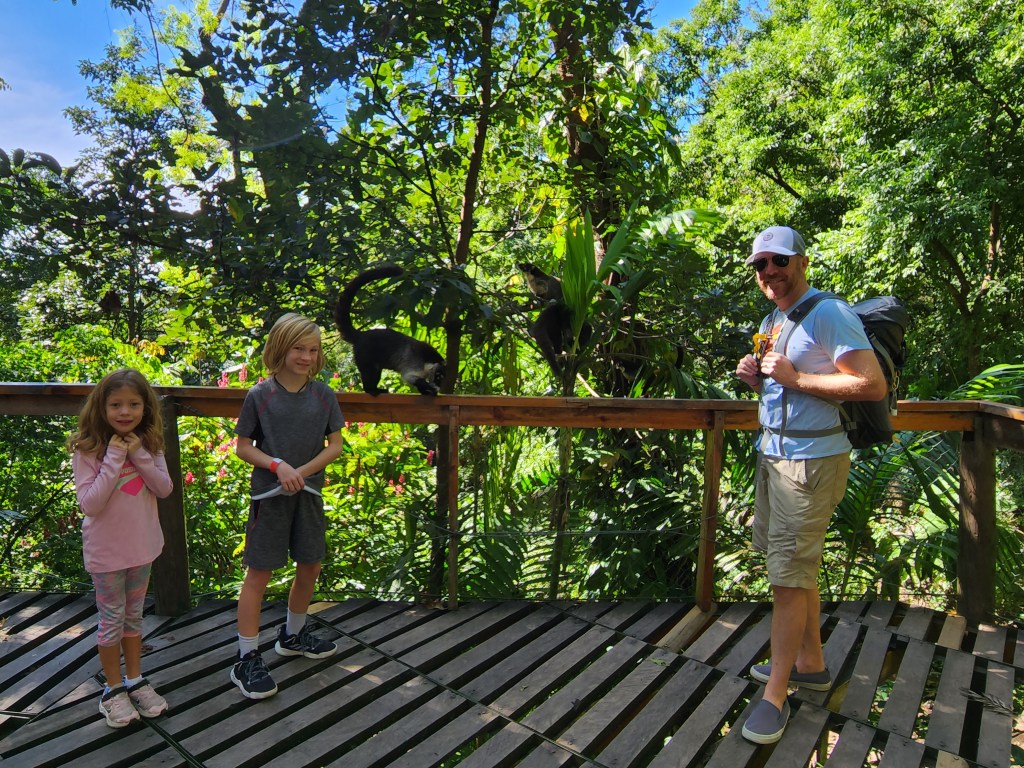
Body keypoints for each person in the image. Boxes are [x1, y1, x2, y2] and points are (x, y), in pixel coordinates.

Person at [734, 226, 886, 744]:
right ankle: (811, 665)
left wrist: (796, 378)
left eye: (779, 260)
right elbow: (783, 387)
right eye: (760, 264)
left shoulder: (829, 313)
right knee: (795, 569)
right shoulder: (772, 320)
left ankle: (775, 697)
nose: (769, 272)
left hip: (811, 463)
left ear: (801, 261)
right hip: (775, 458)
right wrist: (758, 379)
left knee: (787, 579)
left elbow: (871, 384)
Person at [230, 313, 345, 699]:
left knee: (310, 565)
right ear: (280, 348)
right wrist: (278, 466)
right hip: (269, 498)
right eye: (298, 348)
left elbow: (335, 445)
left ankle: (292, 635)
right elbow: (243, 447)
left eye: (313, 350)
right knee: (259, 574)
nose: (306, 357)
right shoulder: (259, 395)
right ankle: (246, 658)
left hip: (309, 495)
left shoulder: (324, 395)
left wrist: (301, 472)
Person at [68, 368, 174, 728]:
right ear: (101, 407)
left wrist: (139, 454)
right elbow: (90, 504)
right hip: (107, 554)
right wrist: (114, 456)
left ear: (146, 408)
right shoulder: (87, 450)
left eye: (133, 404)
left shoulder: (150, 444)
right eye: (116, 405)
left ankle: (135, 680)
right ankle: (112, 690)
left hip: (142, 549)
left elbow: (163, 488)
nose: (125, 412)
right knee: (111, 619)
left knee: (134, 617)